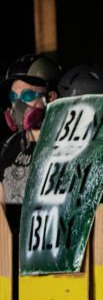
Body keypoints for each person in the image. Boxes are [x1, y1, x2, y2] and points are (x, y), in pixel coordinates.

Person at [0, 53, 60, 229]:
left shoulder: (67, 146)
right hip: (12, 247)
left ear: (51, 98)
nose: (17, 105)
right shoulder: (7, 147)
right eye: (13, 97)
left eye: (26, 96)